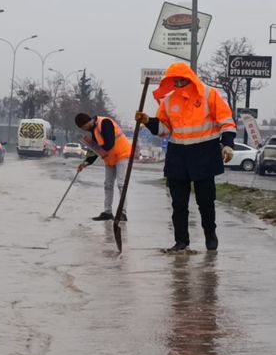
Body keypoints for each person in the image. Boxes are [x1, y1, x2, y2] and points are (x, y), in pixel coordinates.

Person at [135, 62, 236, 253]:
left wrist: (228, 144)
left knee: (205, 202)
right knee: (178, 203)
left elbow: (226, 121)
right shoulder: (169, 101)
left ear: (190, 78)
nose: (179, 84)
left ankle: (210, 234)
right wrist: (148, 121)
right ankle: (181, 241)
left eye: (182, 80)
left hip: (204, 153)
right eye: (176, 81)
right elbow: (164, 129)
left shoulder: (209, 94)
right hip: (178, 155)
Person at [74, 113, 132, 221]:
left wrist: (95, 150)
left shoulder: (105, 123)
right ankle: (107, 212)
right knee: (108, 185)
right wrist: (85, 163)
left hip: (122, 154)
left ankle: (122, 213)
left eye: (84, 127)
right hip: (110, 158)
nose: (85, 130)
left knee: (121, 184)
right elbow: (96, 150)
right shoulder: (94, 131)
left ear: (87, 122)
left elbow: (109, 143)